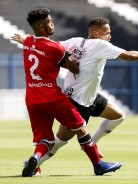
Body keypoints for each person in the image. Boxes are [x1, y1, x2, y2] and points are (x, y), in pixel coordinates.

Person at [12, 17, 138, 175]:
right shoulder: (100, 45)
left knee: (118, 116)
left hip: (91, 97)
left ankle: (91, 144)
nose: (109, 36)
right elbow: (128, 55)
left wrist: (27, 41)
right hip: (77, 100)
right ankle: (33, 162)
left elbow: (50, 47)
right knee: (60, 141)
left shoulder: (74, 41)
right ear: (94, 33)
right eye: (106, 33)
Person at [15, 8, 122, 177]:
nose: (52, 24)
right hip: (53, 97)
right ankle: (98, 165)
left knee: (45, 139)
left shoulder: (28, 42)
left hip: (32, 98)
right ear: (43, 27)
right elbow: (75, 68)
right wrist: (75, 57)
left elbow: (32, 43)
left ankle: (35, 159)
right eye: (50, 22)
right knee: (81, 129)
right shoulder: (55, 47)